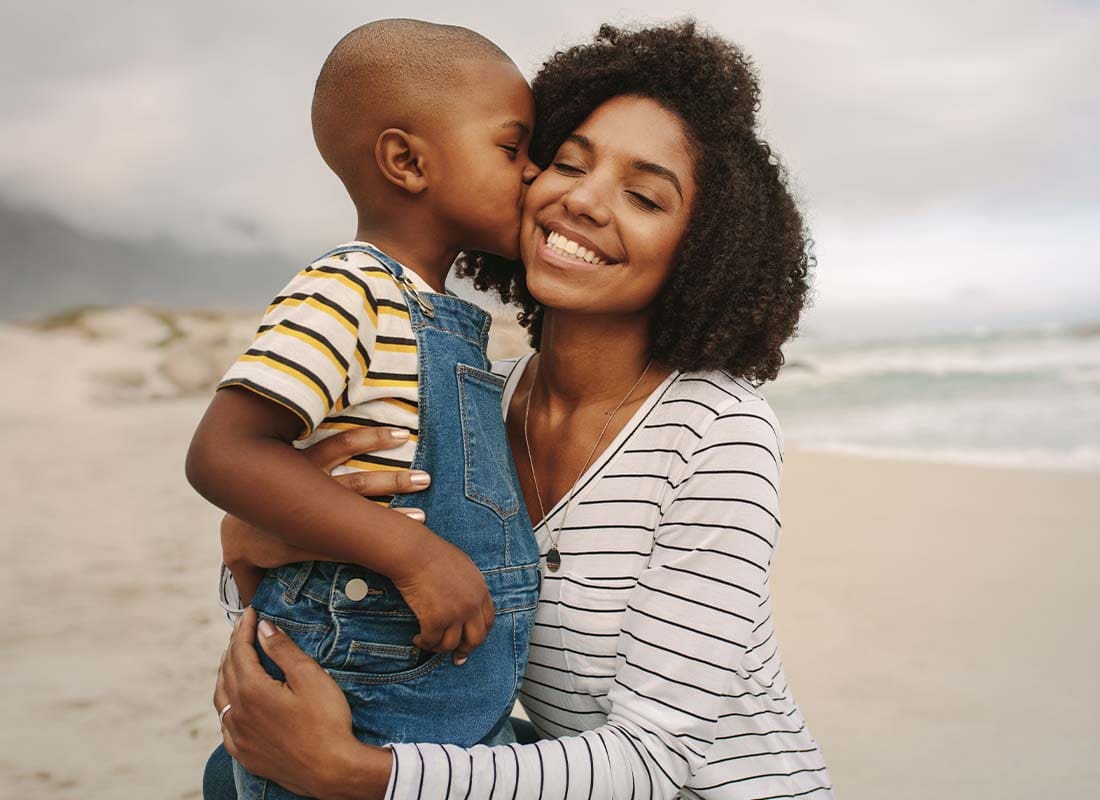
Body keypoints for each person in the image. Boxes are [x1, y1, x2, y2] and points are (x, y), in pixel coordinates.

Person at [210, 21, 833, 800]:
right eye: (563, 163)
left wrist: (357, 773)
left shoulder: (717, 433)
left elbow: (652, 761)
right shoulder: (468, 395)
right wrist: (256, 539)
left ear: (703, 247)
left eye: (643, 196)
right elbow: (357, 597)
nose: (581, 199)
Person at [185, 18, 544, 800]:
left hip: (444, 700)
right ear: (407, 161)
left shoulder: (436, 311)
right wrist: (414, 556)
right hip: (358, 693)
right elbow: (226, 451)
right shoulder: (348, 287)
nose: (534, 174)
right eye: (512, 148)